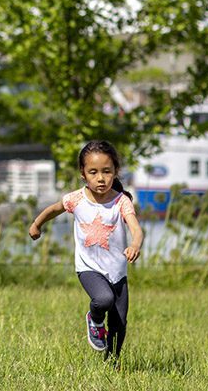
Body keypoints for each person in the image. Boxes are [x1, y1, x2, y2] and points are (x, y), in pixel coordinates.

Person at [28, 140, 144, 359]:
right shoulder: (76, 199)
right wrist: (36, 224)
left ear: (115, 172)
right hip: (88, 268)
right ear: (83, 174)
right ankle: (95, 319)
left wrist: (135, 245)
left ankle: (112, 363)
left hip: (118, 273)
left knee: (119, 323)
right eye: (93, 172)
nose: (100, 178)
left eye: (107, 172)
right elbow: (53, 210)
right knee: (103, 300)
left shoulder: (122, 201)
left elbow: (136, 229)